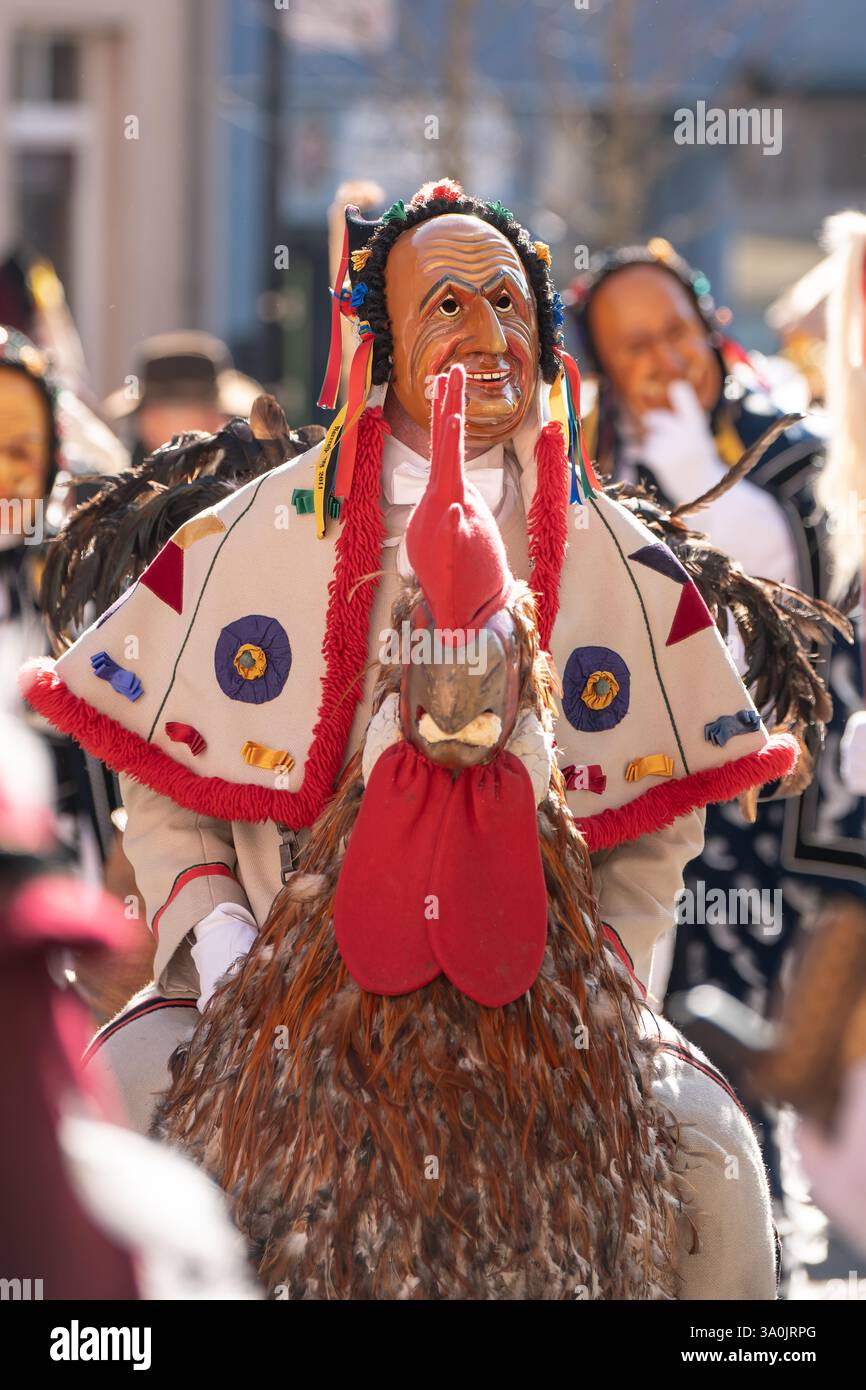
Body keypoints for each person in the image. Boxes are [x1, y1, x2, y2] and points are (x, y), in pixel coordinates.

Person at [22, 180, 796, 1151]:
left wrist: (606, 973)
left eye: (507, 301)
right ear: (383, 342)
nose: (486, 331)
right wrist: (220, 939)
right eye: (448, 304)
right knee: (115, 1101)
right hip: (265, 984)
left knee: (713, 1159)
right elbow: (164, 791)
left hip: (539, 994)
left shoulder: (622, 562)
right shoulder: (247, 534)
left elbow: (654, 831)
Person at [569, 239, 866, 1204]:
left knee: (744, 1019)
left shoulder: (792, 442)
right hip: (633, 779)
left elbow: (808, 589)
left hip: (770, 798)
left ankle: (755, 1216)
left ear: (710, 326)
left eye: (675, 331)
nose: (663, 358)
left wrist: (698, 466)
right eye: (634, 346)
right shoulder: (583, 455)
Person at [103, 331, 262, 468]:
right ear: (152, 420)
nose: (221, 422)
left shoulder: (243, 475)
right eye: (205, 410)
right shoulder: (109, 495)